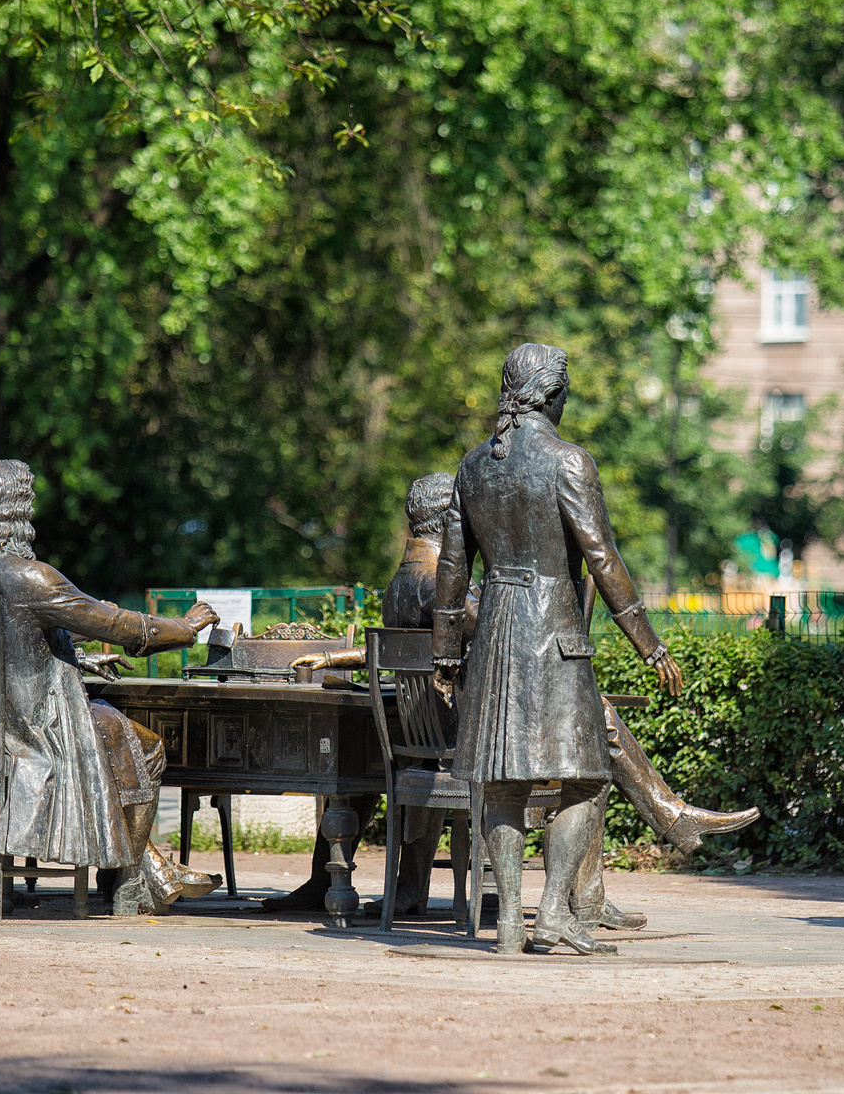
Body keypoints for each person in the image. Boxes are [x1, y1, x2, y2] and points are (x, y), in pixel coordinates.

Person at [271, 472, 757, 928]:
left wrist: (337, 656)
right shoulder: (439, 583)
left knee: (594, 725)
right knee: (593, 735)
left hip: (432, 736)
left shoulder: (400, 583)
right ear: (447, 520)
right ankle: (631, 854)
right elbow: (500, 633)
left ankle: (418, 889)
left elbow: (403, 647)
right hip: (472, 737)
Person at [434, 343, 683, 955]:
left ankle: (509, 926)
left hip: (496, 631)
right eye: (565, 390)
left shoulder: (472, 467)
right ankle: (550, 913)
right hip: (552, 632)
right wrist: (650, 646)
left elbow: (452, 568)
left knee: (503, 784)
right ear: (550, 394)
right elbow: (603, 559)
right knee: (588, 776)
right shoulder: (569, 461)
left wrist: (445, 653)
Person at [0, 460, 221, 913]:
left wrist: (74, 656)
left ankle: (147, 871)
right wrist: (185, 627)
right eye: (28, 505)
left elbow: (9, 644)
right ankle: (128, 884)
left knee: (112, 732)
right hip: (40, 728)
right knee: (145, 746)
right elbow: (119, 625)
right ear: (16, 512)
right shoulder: (31, 576)